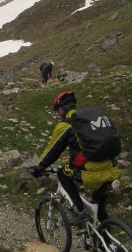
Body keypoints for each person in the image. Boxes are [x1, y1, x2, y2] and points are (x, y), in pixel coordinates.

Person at [31, 91, 120, 223]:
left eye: (58, 110)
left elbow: (53, 151)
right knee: (99, 210)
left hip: (91, 171)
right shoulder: (88, 120)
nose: (58, 113)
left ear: (63, 109)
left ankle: (80, 211)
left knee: (62, 173)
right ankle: (106, 243)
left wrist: (39, 167)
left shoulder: (67, 124)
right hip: (111, 168)